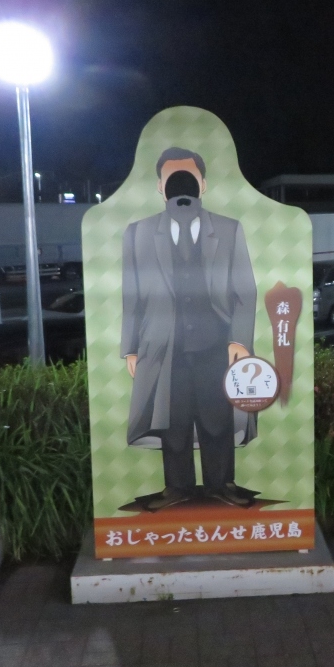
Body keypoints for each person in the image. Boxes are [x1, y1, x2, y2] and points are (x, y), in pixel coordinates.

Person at [121, 147, 257, 510]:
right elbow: (131, 295)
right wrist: (130, 347)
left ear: (203, 184)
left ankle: (221, 483)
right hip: (163, 345)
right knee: (173, 418)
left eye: (189, 179)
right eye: (172, 179)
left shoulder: (228, 229)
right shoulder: (138, 233)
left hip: (216, 344)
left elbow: (244, 290)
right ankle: (177, 486)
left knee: (217, 415)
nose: (181, 188)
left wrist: (240, 339)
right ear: (160, 186)